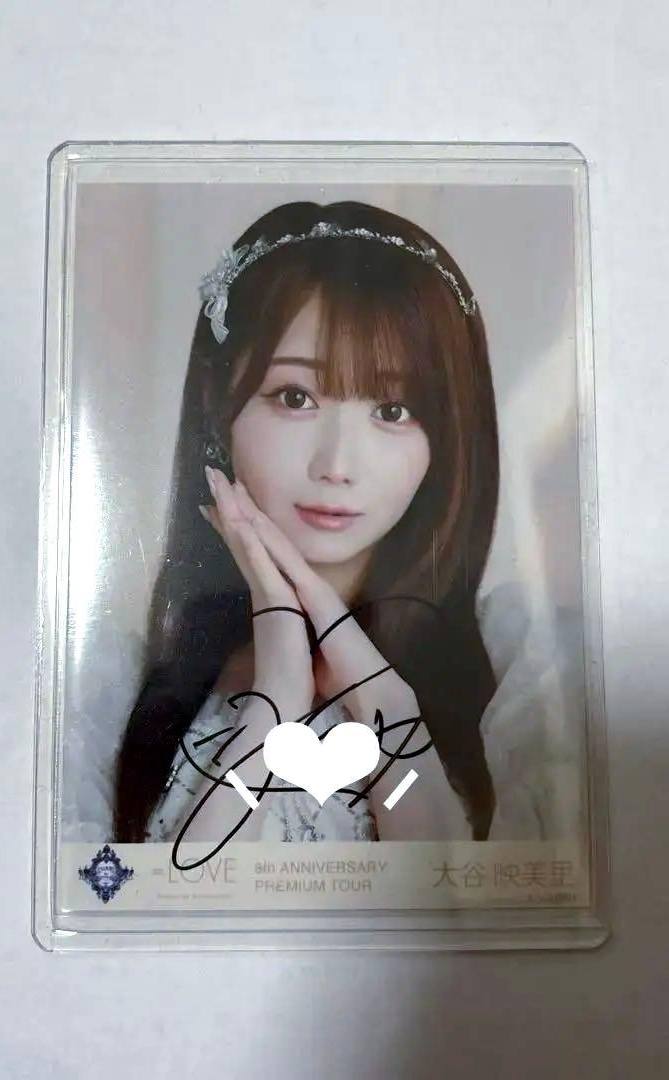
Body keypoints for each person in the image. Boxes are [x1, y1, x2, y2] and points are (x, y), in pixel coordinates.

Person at [111, 200, 574, 848]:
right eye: (295, 397)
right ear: (218, 408)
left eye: (392, 410)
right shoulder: (112, 687)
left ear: (447, 437)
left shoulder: (521, 663)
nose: (337, 465)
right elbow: (186, 889)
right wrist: (275, 698)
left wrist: (377, 690)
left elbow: (447, 898)